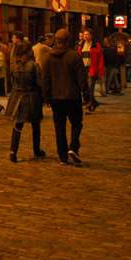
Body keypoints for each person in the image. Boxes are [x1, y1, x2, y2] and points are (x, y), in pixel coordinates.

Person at [42, 29, 90, 165]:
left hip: (56, 97)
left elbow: (45, 79)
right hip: (72, 96)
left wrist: (46, 98)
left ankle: (62, 156)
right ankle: (74, 147)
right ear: (68, 40)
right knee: (76, 123)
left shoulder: (48, 57)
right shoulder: (74, 56)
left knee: (59, 126)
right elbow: (82, 78)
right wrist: (87, 97)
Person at [6, 42, 45, 162]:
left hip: (17, 96)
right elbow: (39, 83)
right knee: (35, 125)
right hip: (31, 96)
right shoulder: (33, 66)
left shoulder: (14, 66)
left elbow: (12, 81)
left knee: (18, 126)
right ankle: (36, 149)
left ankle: (13, 151)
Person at [79, 29, 105, 105]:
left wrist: (100, 71)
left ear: (91, 36)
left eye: (87, 34)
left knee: (90, 88)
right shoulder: (81, 46)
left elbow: (100, 58)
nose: (85, 36)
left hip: (92, 68)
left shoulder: (96, 45)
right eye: (84, 35)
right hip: (83, 69)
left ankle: (88, 105)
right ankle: (92, 102)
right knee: (84, 87)